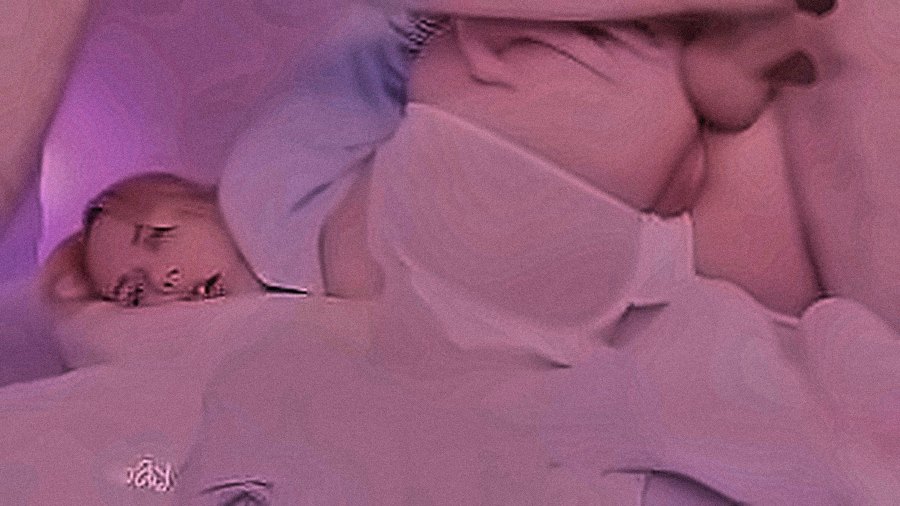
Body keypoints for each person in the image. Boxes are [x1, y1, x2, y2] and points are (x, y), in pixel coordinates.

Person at [176, 1, 900, 504]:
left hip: (550, 207)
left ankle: (703, 70)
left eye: (152, 238)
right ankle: (705, 70)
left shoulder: (266, 195)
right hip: (569, 219)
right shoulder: (293, 275)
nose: (164, 280)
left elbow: (385, 43)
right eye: (135, 293)